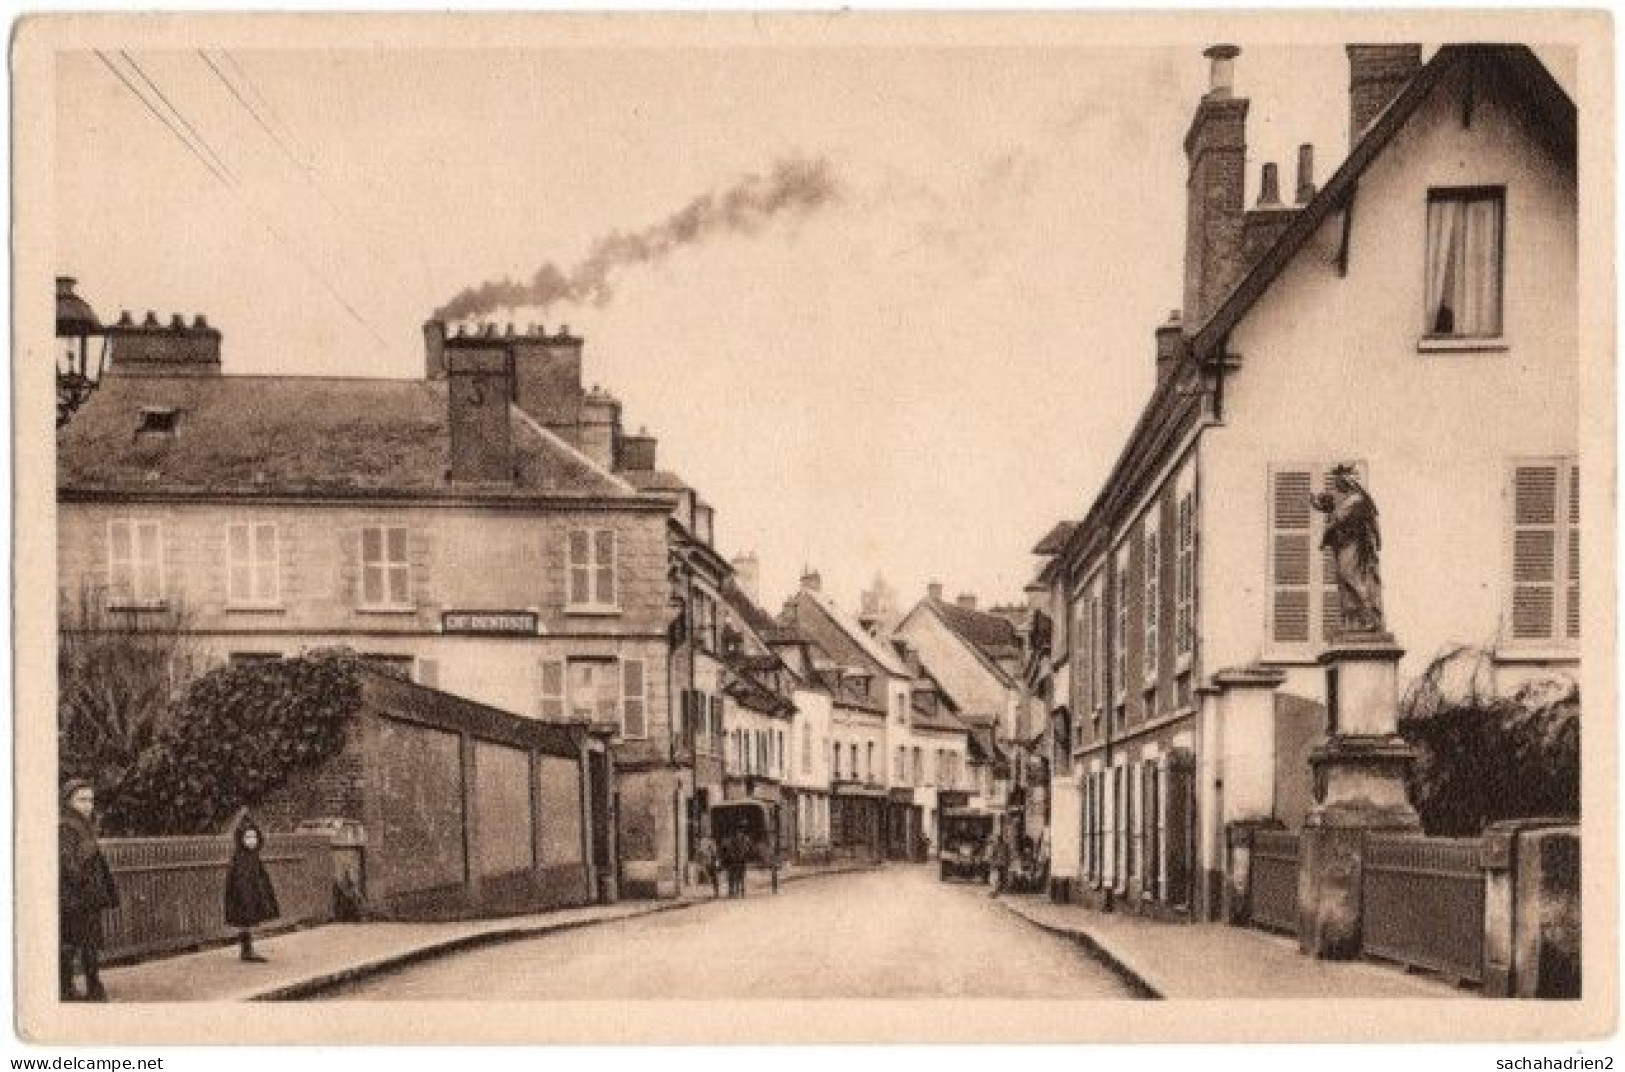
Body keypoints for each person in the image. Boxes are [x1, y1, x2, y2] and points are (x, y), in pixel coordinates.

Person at [59, 778, 118, 1001]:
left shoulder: (83, 825)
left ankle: (89, 988)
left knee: (85, 943)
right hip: (76, 896)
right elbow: (68, 863)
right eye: (81, 800)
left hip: (84, 895)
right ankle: (74, 990)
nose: (87, 805)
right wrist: (84, 885)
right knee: (75, 944)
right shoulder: (67, 826)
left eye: (90, 800)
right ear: (68, 801)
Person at [224, 815, 281, 962]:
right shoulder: (241, 857)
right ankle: (246, 950)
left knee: (247, 922)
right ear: (241, 839)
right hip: (242, 895)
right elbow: (240, 879)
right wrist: (246, 897)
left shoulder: (252, 855)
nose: (252, 840)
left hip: (250, 893)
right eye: (248, 837)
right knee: (244, 920)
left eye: (254, 837)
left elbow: (259, 875)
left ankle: (247, 950)